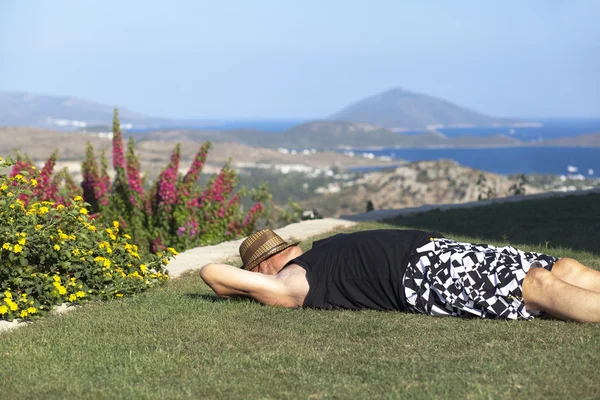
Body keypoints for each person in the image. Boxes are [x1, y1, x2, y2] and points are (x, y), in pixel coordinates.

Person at [200, 229, 600, 322]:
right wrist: (245, 287)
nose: (290, 252)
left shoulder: (313, 257)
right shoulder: (290, 283)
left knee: (563, 269)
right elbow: (210, 271)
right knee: (539, 286)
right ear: (265, 267)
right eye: (282, 251)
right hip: (425, 275)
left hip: (439, 251)